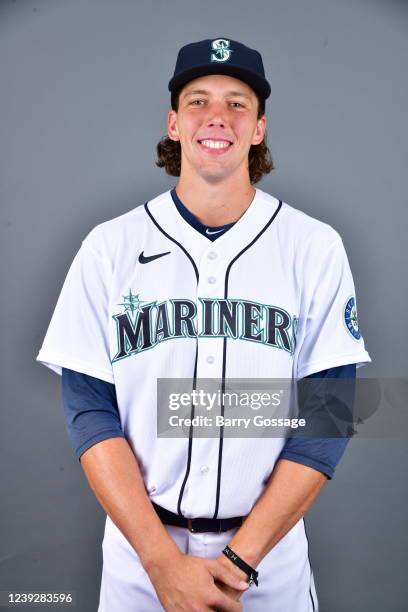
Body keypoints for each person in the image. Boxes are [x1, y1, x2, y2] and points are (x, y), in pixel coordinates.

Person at [36, 38, 371, 611]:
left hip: (268, 563)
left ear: (259, 128)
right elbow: (90, 413)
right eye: (198, 100)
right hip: (143, 559)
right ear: (173, 122)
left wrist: (240, 562)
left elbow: (330, 415)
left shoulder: (313, 246)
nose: (217, 116)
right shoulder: (110, 247)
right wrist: (163, 564)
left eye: (238, 103)